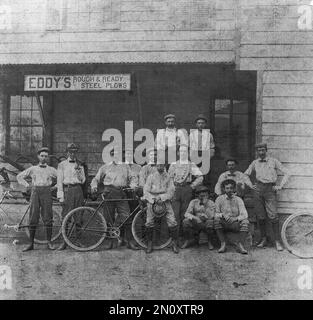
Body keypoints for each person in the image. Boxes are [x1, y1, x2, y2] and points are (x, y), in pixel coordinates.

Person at [244, 143, 290, 251]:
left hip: (270, 190)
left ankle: (277, 241)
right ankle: (263, 239)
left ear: (266, 150)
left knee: (273, 215)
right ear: (257, 152)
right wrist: (251, 185)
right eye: (259, 150)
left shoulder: (273, 161)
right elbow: (245, 174)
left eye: (263, 150)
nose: (261, 152)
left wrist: (280, 186)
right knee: (260, 216)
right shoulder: (255, 163)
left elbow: (287, 172)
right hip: (258, 189)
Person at [90, 149, 139, 250]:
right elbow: (96, 179)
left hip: (121, 192)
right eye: (113, 155)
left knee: (126, 215)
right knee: (108, 217)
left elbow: (133, 177)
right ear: (111, 156)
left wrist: (133, 185)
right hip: (109, 193)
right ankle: (110, 242)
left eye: (118, 155)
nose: (116, 157)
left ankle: (129, 241)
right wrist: (94, 186)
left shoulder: (125, 166)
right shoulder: (105, 167)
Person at [16, 147, 57, 252]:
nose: (44, 158)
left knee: (48, 216)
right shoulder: (33, 168)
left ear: (48, 158)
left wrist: (54, 187)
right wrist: (27, 185)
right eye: (42, 156)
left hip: (47, 192)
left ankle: (49, 242)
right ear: (38, 156)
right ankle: (31, 243)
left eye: (46, 156)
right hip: (35, 192)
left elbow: (61, 179)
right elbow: (19, 176)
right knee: (33, 216)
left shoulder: (51, 170)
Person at [143, 160, 179, 254]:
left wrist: (162, 198)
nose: (160, 167)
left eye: (162, 165)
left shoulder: (168, 177)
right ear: (155, 166)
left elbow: (171, 191)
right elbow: (146, 190)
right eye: (158, 165)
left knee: (172, 221)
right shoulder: (151, 177)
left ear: (164, 166)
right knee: (149, 222)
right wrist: (153, 199)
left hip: (165, 200)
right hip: (152, 201)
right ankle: (149, 244)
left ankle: (174, 243)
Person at [168, 144, 203, 239]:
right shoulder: (173, 165)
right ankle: (175, 237)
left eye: (185, 151)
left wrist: (192, 186)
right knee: (174, 213)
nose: (183, 153)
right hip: (176, 190)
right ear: (178, 153)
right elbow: (169, 178)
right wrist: (172, 188)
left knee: (185, 212)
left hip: (186, 190)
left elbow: (200, 177)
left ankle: (185, 237)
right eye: (181, 151)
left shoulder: (191, 165)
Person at [56, 143, 86, 250]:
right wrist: (60, 196)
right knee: (66, 216)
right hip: (67, 190)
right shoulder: (62, 164)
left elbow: (83, 181)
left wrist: (78, 172)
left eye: (74, 152)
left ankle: (78, 241)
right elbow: (59, 181)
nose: (72, 154)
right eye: (70, 152)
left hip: (78, 190)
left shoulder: (80, 164)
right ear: (67, 152)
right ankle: (64, 241)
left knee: (78, 216)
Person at [214, 179, 249, 254]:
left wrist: (236, 219)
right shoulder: (219, 199)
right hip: (224, 222)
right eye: (227, 188)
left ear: (234, 189)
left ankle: (240, 245)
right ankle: (223, 244)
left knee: (245, 221)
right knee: (216, 220)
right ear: (223, 189)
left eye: (231, 188)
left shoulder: (238, 199)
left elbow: (245, 214)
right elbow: (215, 213)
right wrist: (223, 215)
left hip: (235, 223)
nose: (229, 190)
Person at [181, 185, 215, 250]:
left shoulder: (211, 203)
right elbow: (187, 213)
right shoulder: (193, 202)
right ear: (198, 195)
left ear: (208, 195)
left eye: (205, 195)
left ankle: (209, 242)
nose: (203, 197)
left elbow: (212, 215)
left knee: (210, 222)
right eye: (201, 195)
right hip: (196, 221)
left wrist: (205, 205)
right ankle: (187, 240)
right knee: (185, 221)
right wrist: (195, 218)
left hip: (206, 221)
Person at [189, 114, 215, 185]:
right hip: (195, 156)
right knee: (195, 174)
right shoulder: (192, 135)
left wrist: (209, 156)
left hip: (205, 156)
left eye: (202, 123)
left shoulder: (209, 135)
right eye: (199, 123)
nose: (201, 125)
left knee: (205, 174)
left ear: (205, 124)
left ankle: (205, 191)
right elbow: (189, 147)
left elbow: (212, 147)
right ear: (196, 124)